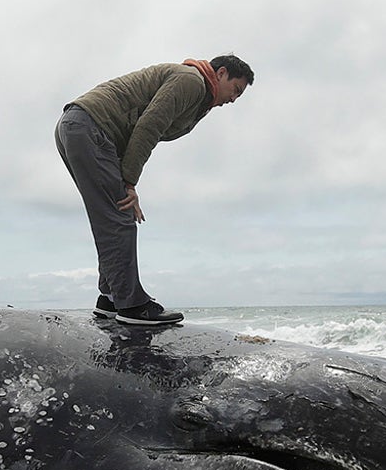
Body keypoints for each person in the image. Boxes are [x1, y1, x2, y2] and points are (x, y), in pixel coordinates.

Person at [54, 54, 254, 326]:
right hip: (90, 127)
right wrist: (129, 182)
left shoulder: (198, 94)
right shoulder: (191, 82)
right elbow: (149, 126)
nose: (233, 99)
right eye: (236, 90)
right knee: (119, 217)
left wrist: (124, 180)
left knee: (111, 217)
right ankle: (132, 306)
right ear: (220, 74)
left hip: (79, 128)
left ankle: (110, 298)